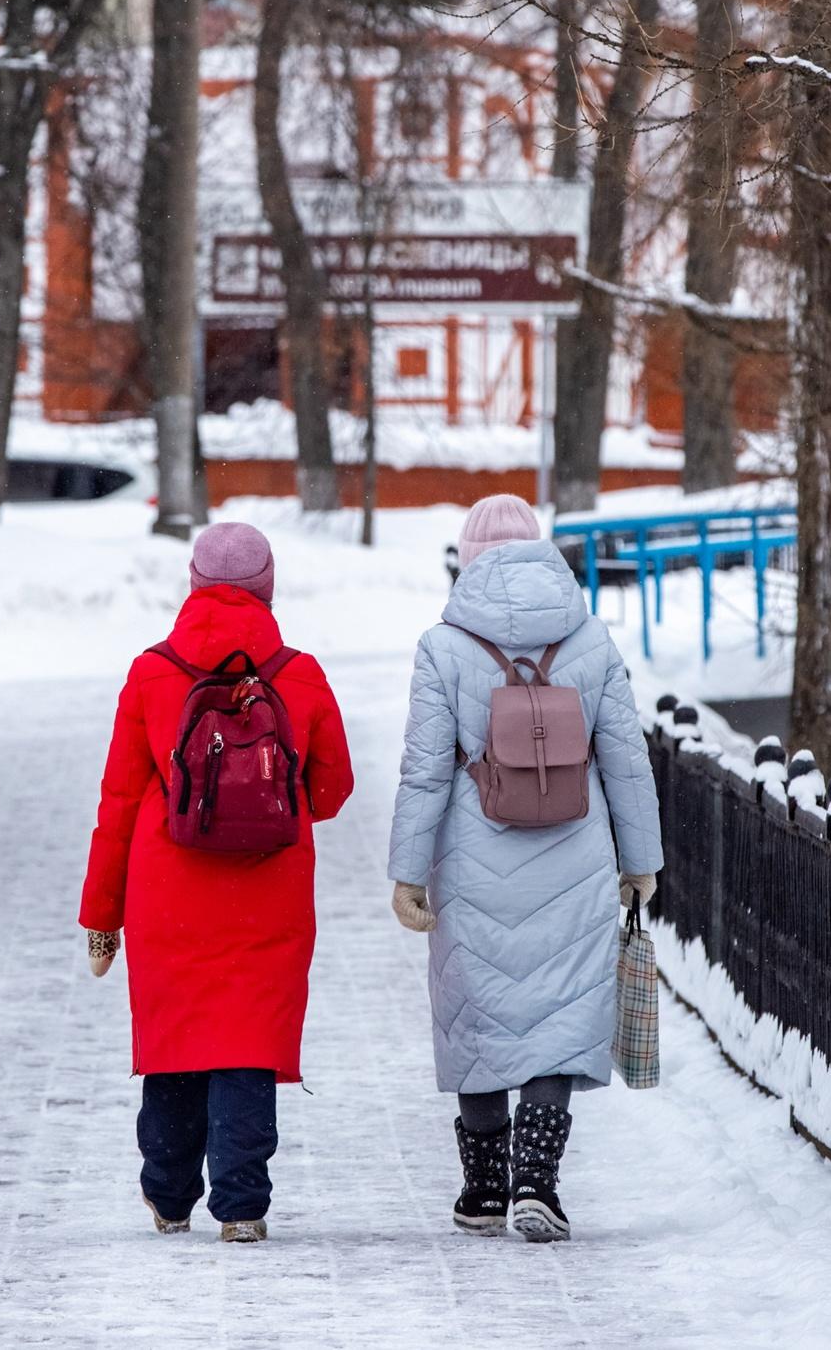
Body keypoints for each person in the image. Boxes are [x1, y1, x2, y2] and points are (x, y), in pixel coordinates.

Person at [389, 493, 662, 1242]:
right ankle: (537, 1183)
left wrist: (407, 873)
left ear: (468, 558)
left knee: (478, 1013)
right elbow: (627, 761)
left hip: (472, 855)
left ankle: (483, 1188)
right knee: (558, 1011)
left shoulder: (443, 647)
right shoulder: (592, 640)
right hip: (575, 851)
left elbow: (422, 771)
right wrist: (642, 862)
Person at [80, 522, 354, 1244]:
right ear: (267, 589)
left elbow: (115, 802)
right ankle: (242, 1206)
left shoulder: (150, 672)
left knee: (178, 1038)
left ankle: (169, 1194)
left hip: (167, 892)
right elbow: (331, 790)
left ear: (194, 586)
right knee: (247, 1041)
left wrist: (102, 916)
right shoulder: (300, 672)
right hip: (268, 891)